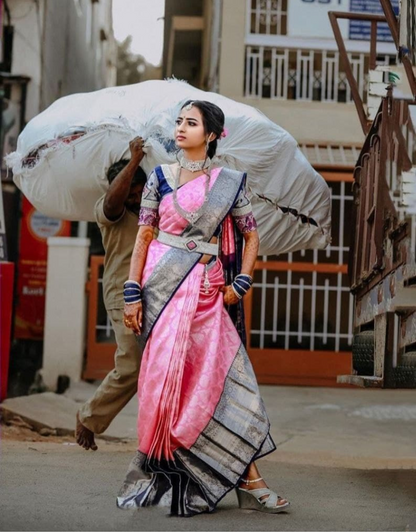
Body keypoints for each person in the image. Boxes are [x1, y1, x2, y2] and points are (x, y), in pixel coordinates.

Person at [118, 101, 290, 517]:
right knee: (168, 388)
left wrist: (242, 282)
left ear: (211, 135)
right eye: (179, 121)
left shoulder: (228, 182)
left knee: (225, 383)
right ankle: (196, 478)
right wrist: (132, 291)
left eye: (190, 123)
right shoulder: (158, 178)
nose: (180, 128)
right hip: (162, 291)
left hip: (209, 294)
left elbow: (252, 237)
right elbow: (144, 237)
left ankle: (250, 480)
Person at [75, 137, 146, 451]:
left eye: (138, 190)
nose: (134, 197)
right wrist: (133, 162)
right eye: (129, 190)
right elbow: (115, 201)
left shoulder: (151, 212)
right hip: (122, 297)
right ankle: (89, 417)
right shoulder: (109, 211)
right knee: (132, 366)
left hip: (154, 297)